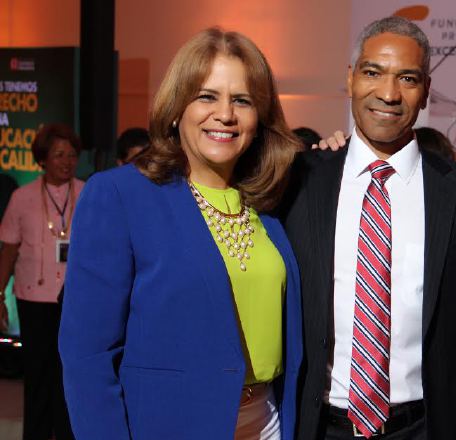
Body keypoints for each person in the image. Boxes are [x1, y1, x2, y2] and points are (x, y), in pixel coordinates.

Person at [58, 28, 303, 440]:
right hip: (169, 425)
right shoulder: (121, 195)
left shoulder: (274, 201)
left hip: (268, 422)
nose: (224, 114)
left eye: (241, 100)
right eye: (206, 96)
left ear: (259, 118)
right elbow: (87, 355)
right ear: (175, 108)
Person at [282, 16, 456, 440]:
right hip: (322, 426)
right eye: (373, 73)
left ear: (426, 90)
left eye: (407, 78)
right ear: (351, 78)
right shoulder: (300, 182)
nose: (389, 93)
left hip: (424, 428)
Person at [0, 122, 82, 440]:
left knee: (69, 377)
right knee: (37, 376)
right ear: (43, 159)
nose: (66, 161)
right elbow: (8, 250)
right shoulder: (22, 197)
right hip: (33, 300)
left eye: (72, 155)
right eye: (59, 154)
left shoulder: (87, 192)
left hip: (74, 301)